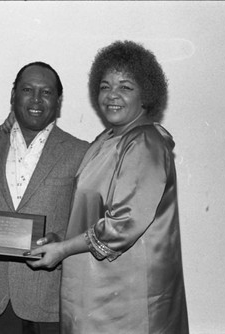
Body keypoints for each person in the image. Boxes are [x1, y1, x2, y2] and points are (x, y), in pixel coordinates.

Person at [28, 41, 189, 333]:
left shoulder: (145, 143)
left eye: (125, 87)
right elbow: (92, 211)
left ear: (146, 95)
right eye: (105, 86)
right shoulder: (106, 139)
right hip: (96, 294)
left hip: (126, 302)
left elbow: (122, 225)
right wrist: (60, 238)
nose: (112, 95)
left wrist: (63, 249)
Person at [0, 62, 89, 334]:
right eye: (27, 90)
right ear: (13, 95)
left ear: (58, 101)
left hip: (52, 299)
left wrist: (61, 241)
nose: (36, 99)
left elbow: (90, 221)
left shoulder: (82, 152)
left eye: (46, 92)